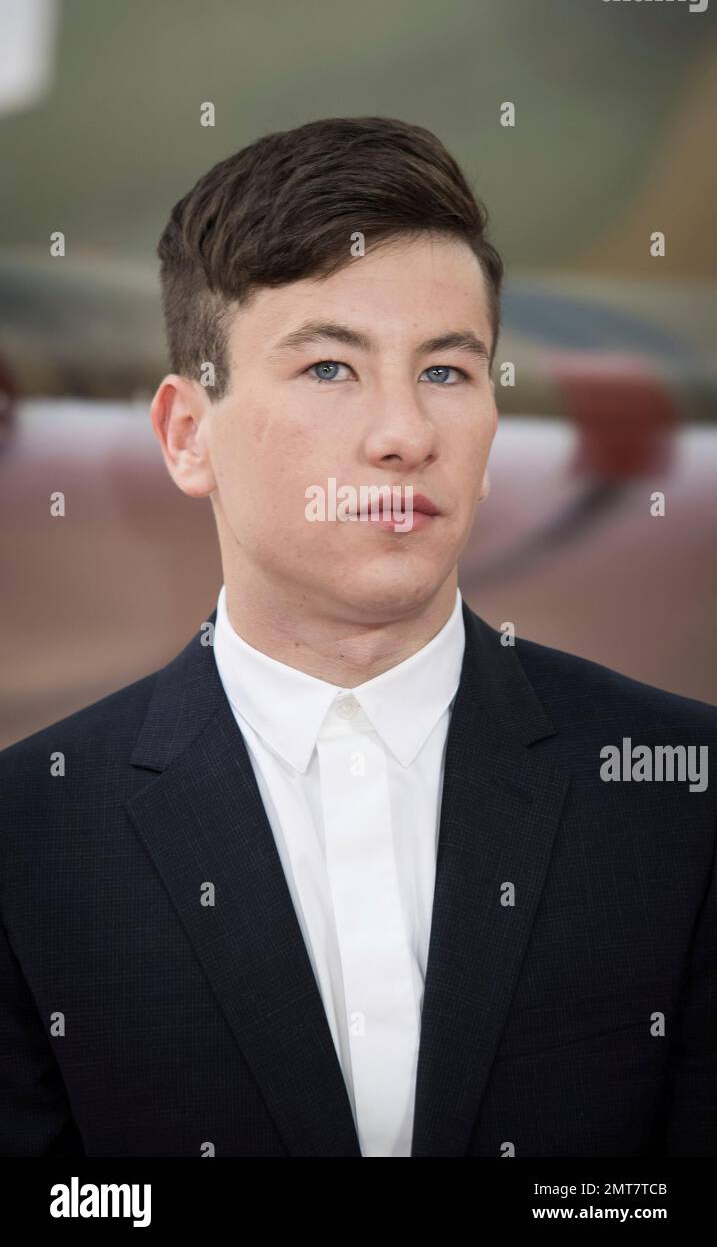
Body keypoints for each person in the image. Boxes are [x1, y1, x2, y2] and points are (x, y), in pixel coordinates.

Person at [0, 116, 715, 1158]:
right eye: (331, 368)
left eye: (447, 371)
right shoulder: (29, 840)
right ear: (185, 434)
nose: (405, 433)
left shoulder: (683, 794)